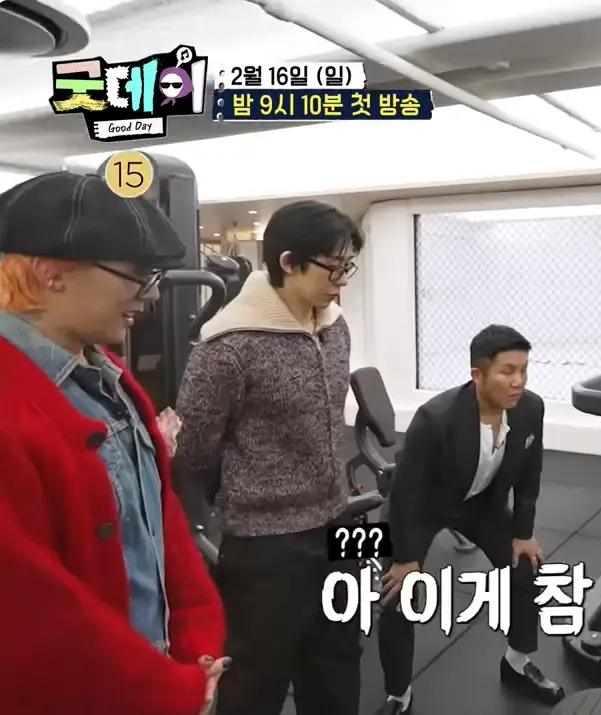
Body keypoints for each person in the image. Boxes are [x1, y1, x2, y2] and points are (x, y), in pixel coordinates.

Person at [0, 171, 228, 715]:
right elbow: (32, 613)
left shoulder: (108, 377)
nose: (150, 296)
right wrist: (166, 689)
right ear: (51, 272)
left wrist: (192, 645)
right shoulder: (12, 408)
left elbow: (158, 524)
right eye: (136, 276)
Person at [173, 200, 364, 715]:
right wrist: (238, 503)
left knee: (340, 659)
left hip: (338, 521)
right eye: (333, 268)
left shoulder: (335, 326)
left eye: (348, 267)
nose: (341, 282)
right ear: (288, 262)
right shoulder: (227, 346)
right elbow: (193, 451)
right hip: (265, 539)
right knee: (257, 677)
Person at [376, 325, 565, 715]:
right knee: (397, 594)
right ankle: (398, 695)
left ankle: (517, 663)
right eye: (507, 371)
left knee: (525, 566)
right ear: (477, 374)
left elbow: (530, 472)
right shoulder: (436, 418)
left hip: (479, 503)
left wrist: (523, 534)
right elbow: (405, 492)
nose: (518, 381)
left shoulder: (530, 409)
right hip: (421, 507)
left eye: (523, 370)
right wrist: (406, 559)